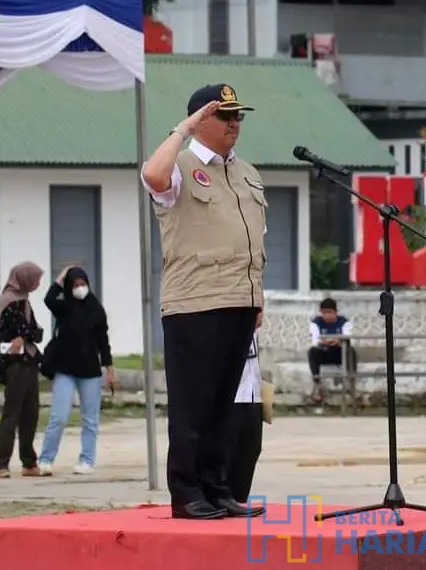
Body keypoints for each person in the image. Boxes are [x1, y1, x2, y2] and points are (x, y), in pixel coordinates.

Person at [140, 83, 266, 520]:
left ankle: (217, 487)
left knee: (222, 406)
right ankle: (187, 492)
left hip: (240, 301)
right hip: (195, 304)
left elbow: (255, 240)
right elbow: (152, 175)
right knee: (192, 406)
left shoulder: (246, 172)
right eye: (225, 114)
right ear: (200, 120)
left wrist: (258, 298)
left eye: (239, 115)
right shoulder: (180, 166)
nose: (235, 122)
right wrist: (183, 129)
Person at [38, 266, 117, 476]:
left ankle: (87, 459)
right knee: (59, 417)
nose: (80, 288)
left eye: (83, 284)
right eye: (75, 285)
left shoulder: (96, 310)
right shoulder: (63, 307)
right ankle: (45, 459)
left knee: (90, 419)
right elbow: (49, 300)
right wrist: (59, 279)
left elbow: (103, 342)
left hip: (90, 371)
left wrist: (109, 369)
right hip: (65, 369)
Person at [0, 261, 45, 479]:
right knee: (12, 413)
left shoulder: (23, 301)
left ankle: (29, 462)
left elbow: (34, 332)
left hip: (28, 362)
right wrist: (27, 333)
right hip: (16, 364)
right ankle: (1, 463)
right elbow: (23, 331)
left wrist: (27, 333)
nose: (37, 283)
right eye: (35, 278)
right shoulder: (11, 302)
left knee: (30, 413)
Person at [224, 332, 264, 504]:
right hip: (227, 395)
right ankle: (220, 499)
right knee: (226, 451)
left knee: (251, 446)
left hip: (253, 391)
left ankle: (238, 499)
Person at [307, 297, 356, 403]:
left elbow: (347, 337)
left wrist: (339, 341)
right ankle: (317, 384)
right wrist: (324, 341)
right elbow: (315, 340)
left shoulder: (344, 322)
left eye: (330, 312)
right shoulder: (316, 323)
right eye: (324, 312)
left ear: (335, 312)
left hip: (339, 352)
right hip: (324, 351)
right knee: (312, 352)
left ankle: (351, 383)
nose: (327, 315)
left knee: (350, 351)